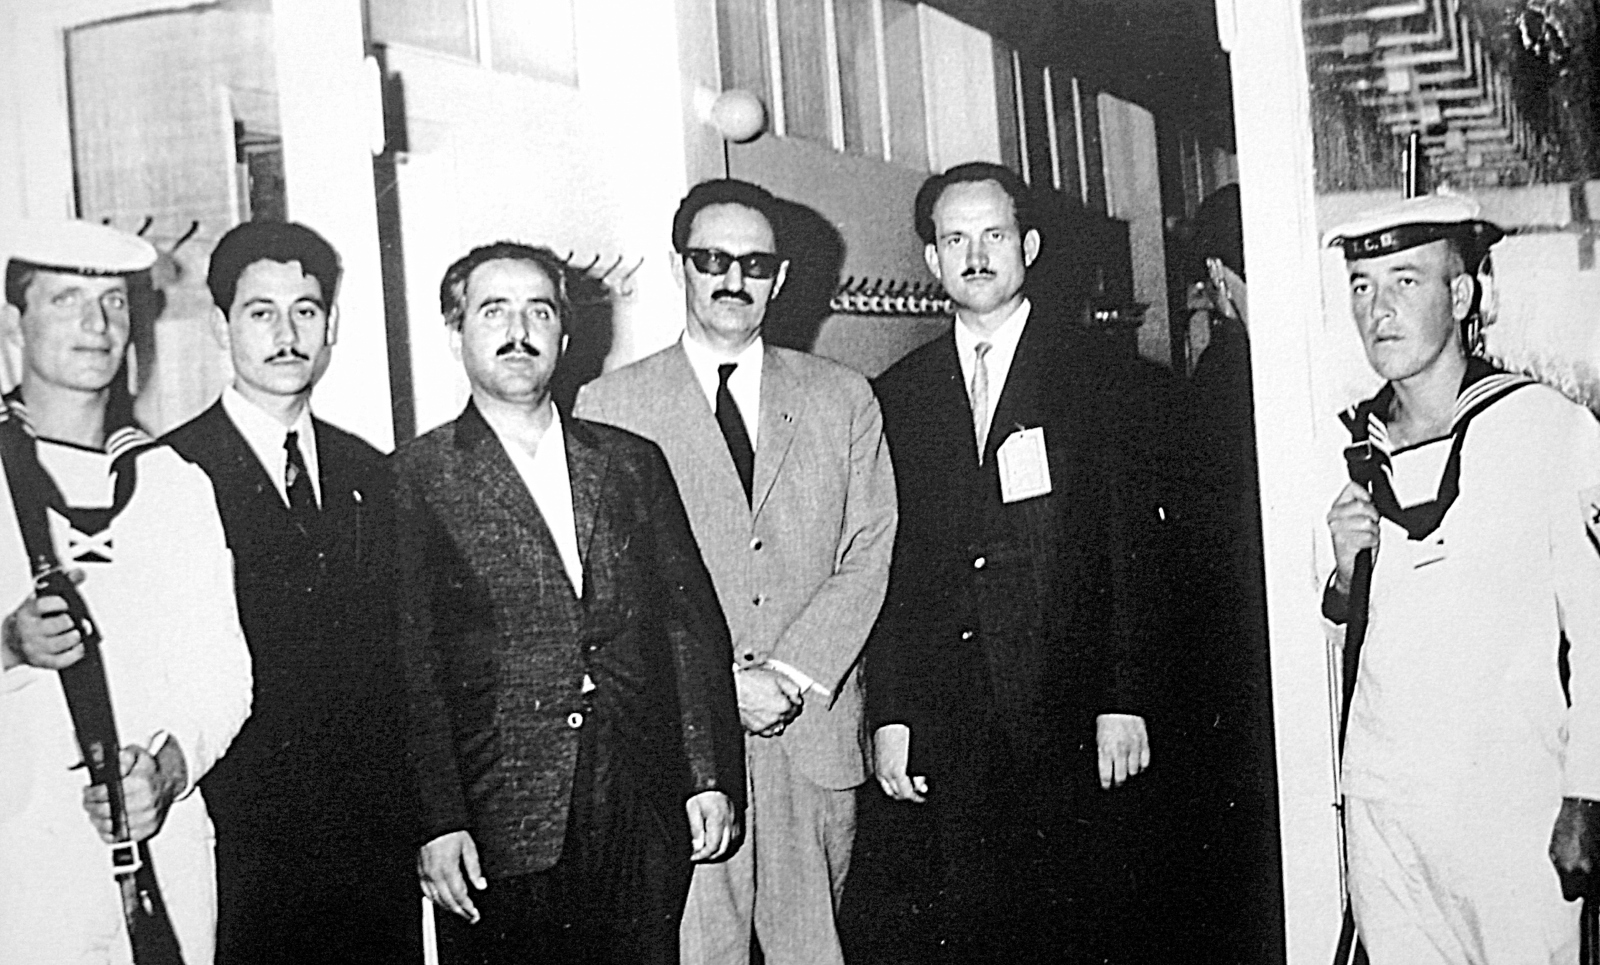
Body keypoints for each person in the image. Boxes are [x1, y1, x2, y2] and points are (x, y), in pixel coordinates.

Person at [396, 241, 746, 965]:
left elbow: (685, 629)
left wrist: (708, 776)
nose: (518, 330)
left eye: (539, 311)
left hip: (637, 799)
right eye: (493, 311)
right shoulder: (417, 476)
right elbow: (411, 666)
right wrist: (437, 820)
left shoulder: (630, 461)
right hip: (500, 814)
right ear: (455, 333)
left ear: (564, 335)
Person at [575, 179, 896, 965]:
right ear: (679, 266)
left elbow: (869, 549)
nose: (732, 279)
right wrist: (717, 688)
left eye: (754, 264)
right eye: (711, 259)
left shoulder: (843, 397)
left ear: (779, 279)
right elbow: (609, 590)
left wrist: (788, 672)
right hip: (681, 751)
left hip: (810, 730)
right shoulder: (607, 405)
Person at [867, 161, 1161, 962]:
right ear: (931, 258)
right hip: (951, 721)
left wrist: (1124, 697)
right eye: (955, 239)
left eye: (993, 235)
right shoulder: (897, 395)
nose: (975, 256)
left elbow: (1130, 545)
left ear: (1028, 245)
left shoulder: (1104, 375)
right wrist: (892, 713)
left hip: (1070, 708)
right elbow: (889, 568)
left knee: (1082, 927)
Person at [1322, 193, 1600, 964]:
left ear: (1463, 294)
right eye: (1362, 285)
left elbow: (1598, 625)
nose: (1378, 309)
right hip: (1387, 807)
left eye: (1406, 281)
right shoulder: (1358, 447)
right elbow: (1359, 622)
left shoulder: (1546, 427)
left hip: (1508, 806)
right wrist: (1345, 575)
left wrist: (1588, 790)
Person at [162, 221, 418, 963]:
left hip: (371, 850)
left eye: (305, 310)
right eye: (260, 312)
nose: (286, 334)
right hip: (242, 848)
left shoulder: (373, 472)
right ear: (221, 326)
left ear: (331, 325)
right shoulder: (171, 472)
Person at [0, 219, 252, 963]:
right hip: (23, 872)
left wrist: (168, 772)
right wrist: (8, 644)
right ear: (14, 324)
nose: (96, 324)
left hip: (163, 857)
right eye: (66, 300)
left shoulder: (174, 484)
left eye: (113, 302)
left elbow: (224, 677)